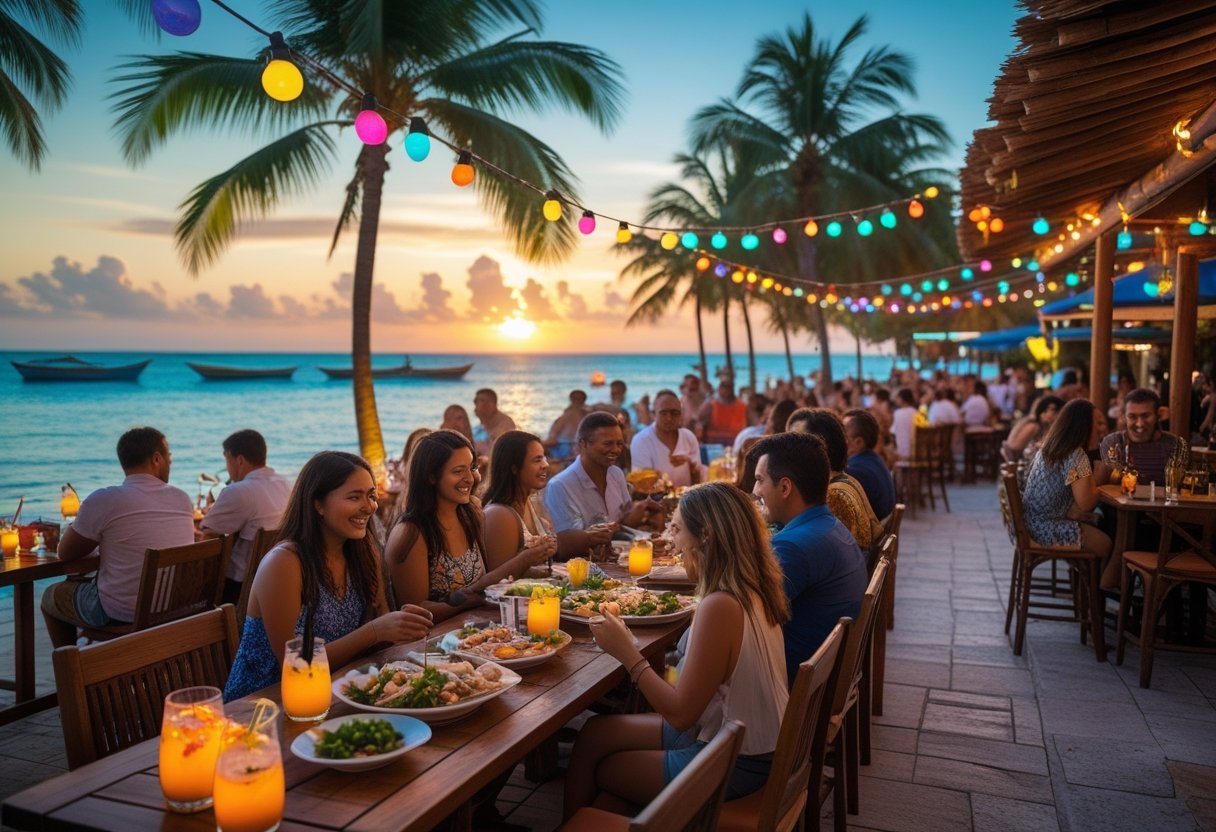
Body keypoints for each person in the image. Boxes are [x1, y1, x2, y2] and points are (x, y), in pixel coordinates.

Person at [563, 483, 790, 816]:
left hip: (737, 759)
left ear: (706, 536)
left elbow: (682, 715)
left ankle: (592, 819)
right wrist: (655, 659)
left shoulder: (721, 606)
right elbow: (704, 686)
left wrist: (628, 654)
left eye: (678, 529)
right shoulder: (750, 586)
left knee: (607, 770)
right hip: (737, 736)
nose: (672, 540)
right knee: (595, 734)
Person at [223, 451, 432, 701]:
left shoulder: (363, 554)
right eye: (354, 497)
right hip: (262, 705)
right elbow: (296, 664)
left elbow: (381, 623)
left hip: (337, 690)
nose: (369, 506)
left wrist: (400, 626)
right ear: (318, 504)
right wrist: (375, 632)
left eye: (371, 496)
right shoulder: (285, 562)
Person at [41, 427, 194, 647]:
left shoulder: (105, 500)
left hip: (121, 613)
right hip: (174, 607)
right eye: (169, 457)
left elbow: (64, 553)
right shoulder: (182, 499)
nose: (170, 462)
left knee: (50, 597)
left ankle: (72, 674)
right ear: (157, 459)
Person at [750, 432, 867, 685]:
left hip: (787, 684)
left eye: (759, 480)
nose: (754, 490)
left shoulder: (793, 546)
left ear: (784, 487)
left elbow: (744, 617)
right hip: (820, 677)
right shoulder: (829, 526)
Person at [384, 431, 530, 622]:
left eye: (472, 468)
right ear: (431, 477)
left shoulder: (471, 513)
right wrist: (469, 601)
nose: (470, 478)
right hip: (433, 642)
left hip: (479, 629)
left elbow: (487, 582)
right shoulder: (410, 533)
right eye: (458, 471)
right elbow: (415, 610)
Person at [544, 412, 666, 559]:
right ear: (583, 444)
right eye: (608, 443)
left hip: (619, 563)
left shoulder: (616, 474)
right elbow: (564, 548)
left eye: (619, 444)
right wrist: (623, 523)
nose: (616, 450)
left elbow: (625, 526)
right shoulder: (560, 486)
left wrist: (647, 518)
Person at [1021, 401, 1113, 585]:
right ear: (1083, 426)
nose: (1103, 430)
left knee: (1100, 524)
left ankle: (1088, 590)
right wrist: (1102, 476)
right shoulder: (1076, 455)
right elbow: (1086, 504)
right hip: (1045, 530)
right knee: (1106, 543)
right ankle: (1096, 598)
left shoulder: (1053, 447)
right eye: (1098, 423)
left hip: (1032, 524)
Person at [198, 429, 291, 604]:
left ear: (239, 460)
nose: (227, 467)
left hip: (239, 589)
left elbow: (208, 533)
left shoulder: (239, 490)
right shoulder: (285, 483)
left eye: (227, 459)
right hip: (280, 579)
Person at [787, 408, 883, 550]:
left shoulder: (834, 494)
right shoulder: (844, 480)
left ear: (821, 448)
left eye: (795, 443)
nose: (785, 452)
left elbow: (814, 548)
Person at [482, 431, 559, 574]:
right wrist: (528, 558)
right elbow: (497, 581)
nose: (546, 465)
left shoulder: (531, 502)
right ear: (514, 468)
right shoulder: (499, 514)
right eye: (537, 460)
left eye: (544, 458)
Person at [1097, 388, 1189, 487]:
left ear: (1159, 415)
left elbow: (1179, 487)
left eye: (1146, 416)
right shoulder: (1113, 443)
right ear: (1124, 417)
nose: (1140, 424)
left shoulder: (1176, 445)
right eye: (1132, 417)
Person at [630, 389, 706, 488]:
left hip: (687, 500)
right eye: (664, 413)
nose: (669, 418)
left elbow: (697, 481)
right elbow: (642, 485)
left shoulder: (689, 437)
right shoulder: (641, 440)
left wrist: (691, 465)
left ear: (680, 415)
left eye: (674, 413)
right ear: (654, 414)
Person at [843, 409, 897, 521]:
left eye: (843, 436)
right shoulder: (874, 460)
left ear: (858, 442)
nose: (839, 439)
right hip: (880, 533)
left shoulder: (857, 471)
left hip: (871, 536)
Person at [697, 378, 747, 446]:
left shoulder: (742, 406)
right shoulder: (710, 404)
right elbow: (700, 424)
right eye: (724, 387)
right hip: (713, 444)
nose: (726, 390)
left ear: (732, 389)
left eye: (728, 387)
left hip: (735, 443)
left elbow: (747, 426)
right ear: (719, 389)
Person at [546, 390, 589, 461]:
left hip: (567, 447)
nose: (577, 401)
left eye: (579, 399)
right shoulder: (586, 412)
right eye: (575, 399)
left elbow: (554, 434)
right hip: (573, 446)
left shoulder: (570, 413)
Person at [472, 388, 516, 457]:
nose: (475, 404)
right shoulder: (484, 424)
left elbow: (494, 456)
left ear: (492, 404)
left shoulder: (504, 425)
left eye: (479, 401)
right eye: (475, 401)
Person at [891, 388, 919, 460]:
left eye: (898, 397)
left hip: (902, 453)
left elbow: (892, 432)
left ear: (902, 399)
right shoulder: (916, 413)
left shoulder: (897, 413)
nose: (896, 400)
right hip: (916, 452)